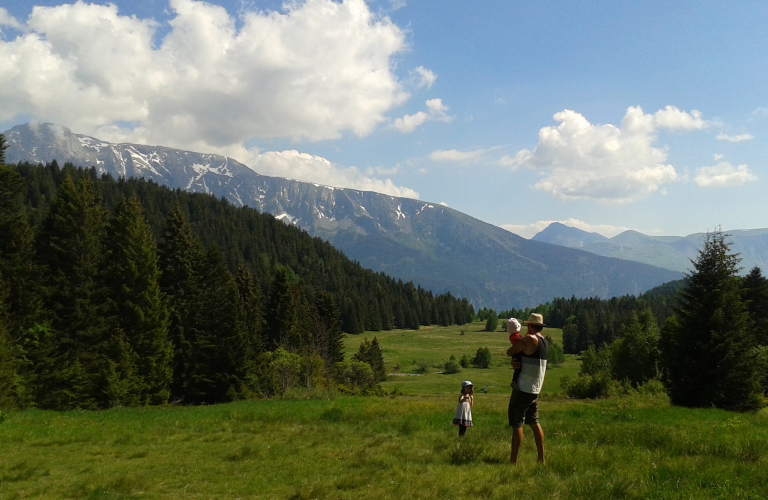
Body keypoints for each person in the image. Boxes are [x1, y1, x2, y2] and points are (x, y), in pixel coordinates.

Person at [507, 313, 548, 465]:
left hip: (523, 387)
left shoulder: (530, 339)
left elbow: (510, 351)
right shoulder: (544, 341)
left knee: (517, 423)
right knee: (534, 422)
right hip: (535, 388)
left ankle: (513, 461)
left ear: (530, 325)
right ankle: (541, 459)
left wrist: (513, 359)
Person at [507, 318, 523, 389]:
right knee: (518, 368)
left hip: (515, 353)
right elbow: (523, 340)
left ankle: (514, 381)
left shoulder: (511, 336)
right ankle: (514, 382)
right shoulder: (516, 336)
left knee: (517, 369)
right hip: (518, 353)